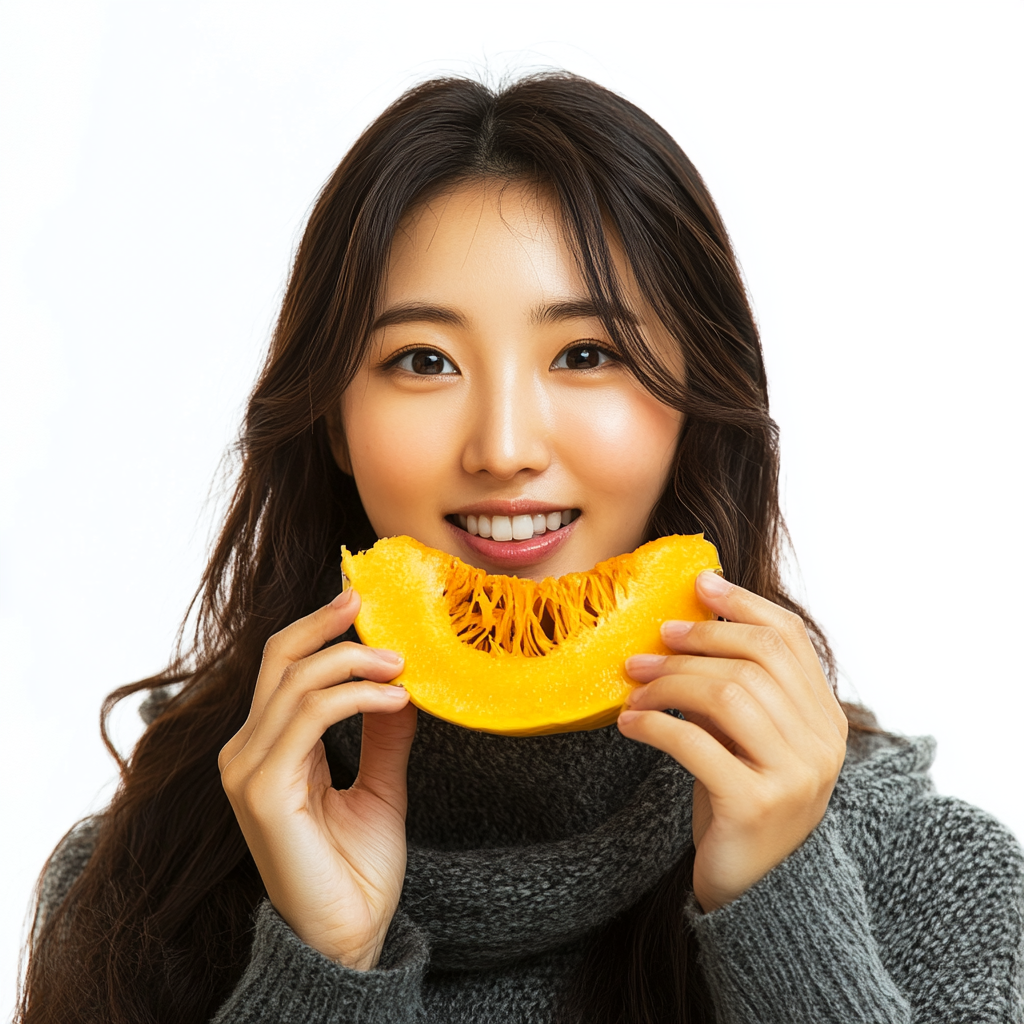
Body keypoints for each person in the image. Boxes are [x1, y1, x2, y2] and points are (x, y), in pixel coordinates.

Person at [17, 73, 1024, 1024]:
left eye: (586, 355)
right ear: (331, 417)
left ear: (694, 409)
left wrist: (783, 914)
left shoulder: (931, 873)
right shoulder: (136, 885)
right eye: (422, 360)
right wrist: (320, 967)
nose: (502, 448)